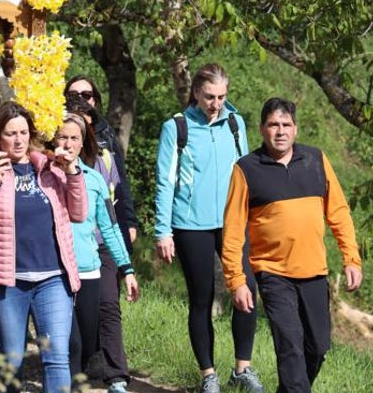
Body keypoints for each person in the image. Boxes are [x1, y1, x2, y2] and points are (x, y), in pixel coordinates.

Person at [221, 97, 361, 393]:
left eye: (286, 125)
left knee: (318, 347)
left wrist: (351, 259)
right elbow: (233, 230)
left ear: (296, 129)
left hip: (314, 272)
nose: (280, 131)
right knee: (290, 349)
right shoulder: (246, 169)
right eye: (273, 125)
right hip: (273, 274)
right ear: (262, 129)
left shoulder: (316, 160)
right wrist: (237, 280)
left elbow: (338, 213)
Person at [0, 101, 87, 393]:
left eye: (23, 132)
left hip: (53, 278)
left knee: (57, 356)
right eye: (10, 133)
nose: (18, 140)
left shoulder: (49, 166)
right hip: (8, 282)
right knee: (12, 361)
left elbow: (79, 213)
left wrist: (72, 171)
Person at [154, 64, 261, 393]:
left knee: (246, 292)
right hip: (191, 225)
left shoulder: (234, 122)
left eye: (222, 96)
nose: (216, 103)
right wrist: (162, 230)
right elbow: (165, 180)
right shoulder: (178, 127)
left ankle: (242, 369)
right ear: (196, 93)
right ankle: (208, 375)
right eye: (209, 97)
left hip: (233, 222)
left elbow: (248, 172)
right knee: (201, 298)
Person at [64, 76, 139, 393]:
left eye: (88, 96)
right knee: (73, 322)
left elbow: (118, 198)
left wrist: (127, 262)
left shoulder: (105, 157)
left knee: (108, 306)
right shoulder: (51, 164)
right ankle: (68, 373)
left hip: (102, 245)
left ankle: (116, 376)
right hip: (66, 247)